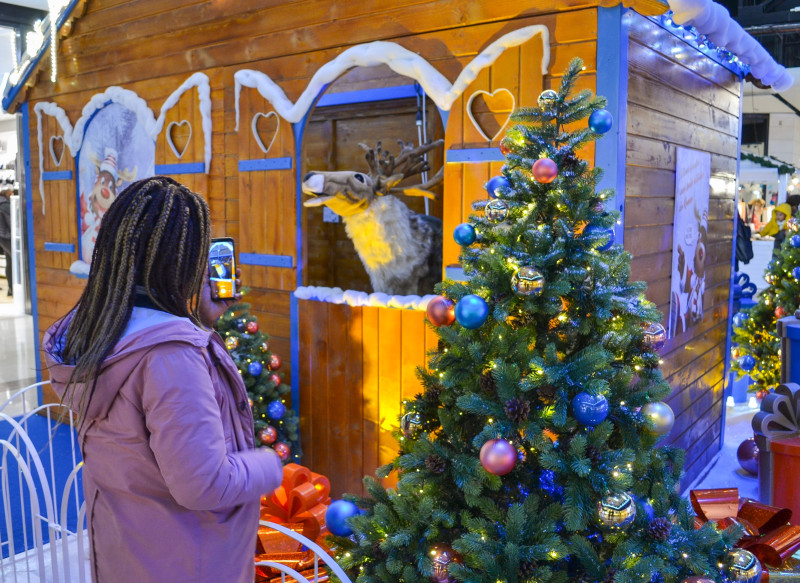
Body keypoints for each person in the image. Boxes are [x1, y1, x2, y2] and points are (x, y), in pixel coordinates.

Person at [43, 177, 283, 583]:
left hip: (128, 549)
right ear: (183, 263)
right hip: (187, 559)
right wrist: (270, 466)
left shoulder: (94, 332)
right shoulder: (172, 356)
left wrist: (201, 319)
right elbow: (204, 484)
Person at [0, 182, 12, 296]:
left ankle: (11, 288)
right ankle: (12, 288)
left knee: (10, 261)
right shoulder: (5, 205)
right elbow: (12, 222)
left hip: (2, 237)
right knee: (14, 261)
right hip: (6, 237)